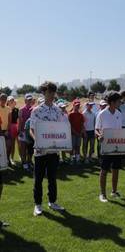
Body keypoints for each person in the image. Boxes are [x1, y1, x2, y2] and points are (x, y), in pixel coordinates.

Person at [30, 82, 65, 216]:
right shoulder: (36, 110)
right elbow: (32, 130)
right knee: (38, 179)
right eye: (49, 92)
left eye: (53, 92)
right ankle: (38, 205)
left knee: (52, 177)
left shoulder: (58, 110)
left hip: (54, 150)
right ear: (43, 93)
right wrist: (37, 140)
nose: (51, 95)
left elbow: (62, 129)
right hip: (40, 151)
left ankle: (52, 202)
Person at [96, 91, 125, 203]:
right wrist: (99, 136)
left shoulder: (119, 113)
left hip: (117, 145)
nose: (120, 103)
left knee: (116, 169)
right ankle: (102, 194)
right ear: (112, 102)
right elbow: (97, 129)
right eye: (119, 101)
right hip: (105, 146)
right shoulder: (102, 114)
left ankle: (114, 191)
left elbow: (120, 130)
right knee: (104, 170)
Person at [18, 94, 34, 170]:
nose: (29, 101)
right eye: (28, 100)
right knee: (23, 148)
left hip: (31, 132)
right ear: (25, 101)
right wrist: (20, 131)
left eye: (30, 100)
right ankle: (24, 162)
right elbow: (20, 122)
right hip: (23, 132)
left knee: (30, 149)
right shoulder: (21, 110)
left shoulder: (34, 109)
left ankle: (29, 161)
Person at [68, 99, 85, 164]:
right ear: (73, 105)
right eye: (76, 105)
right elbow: (70, 125)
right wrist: (75, 133)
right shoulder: (70, 115)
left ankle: (77, 159)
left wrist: (81, 132)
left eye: (78, 105)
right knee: (72, 147)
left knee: (78, 147)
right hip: (73, 134)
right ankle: (72, 159)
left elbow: (82, 124)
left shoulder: (81, 115)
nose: (77, 107)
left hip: (79, 134)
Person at [7, 96, 19, 166]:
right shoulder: (6, 109)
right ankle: (7, 158)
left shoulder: (16, 110)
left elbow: (17, 120)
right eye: (10, 101)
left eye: (12, 100)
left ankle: (11, 158)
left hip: (14, 127)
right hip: (7, 127)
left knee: (13, 144)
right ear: (8, 102)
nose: (11, 102)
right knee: (8, 144)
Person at [0, 94, 11, 166]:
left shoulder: (8, 108)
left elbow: (9, 120)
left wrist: (7, 130)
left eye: (5, 99)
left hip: (6, 131)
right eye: (2, 99)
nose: (3, 100)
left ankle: (7, 159)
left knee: (9, 146)